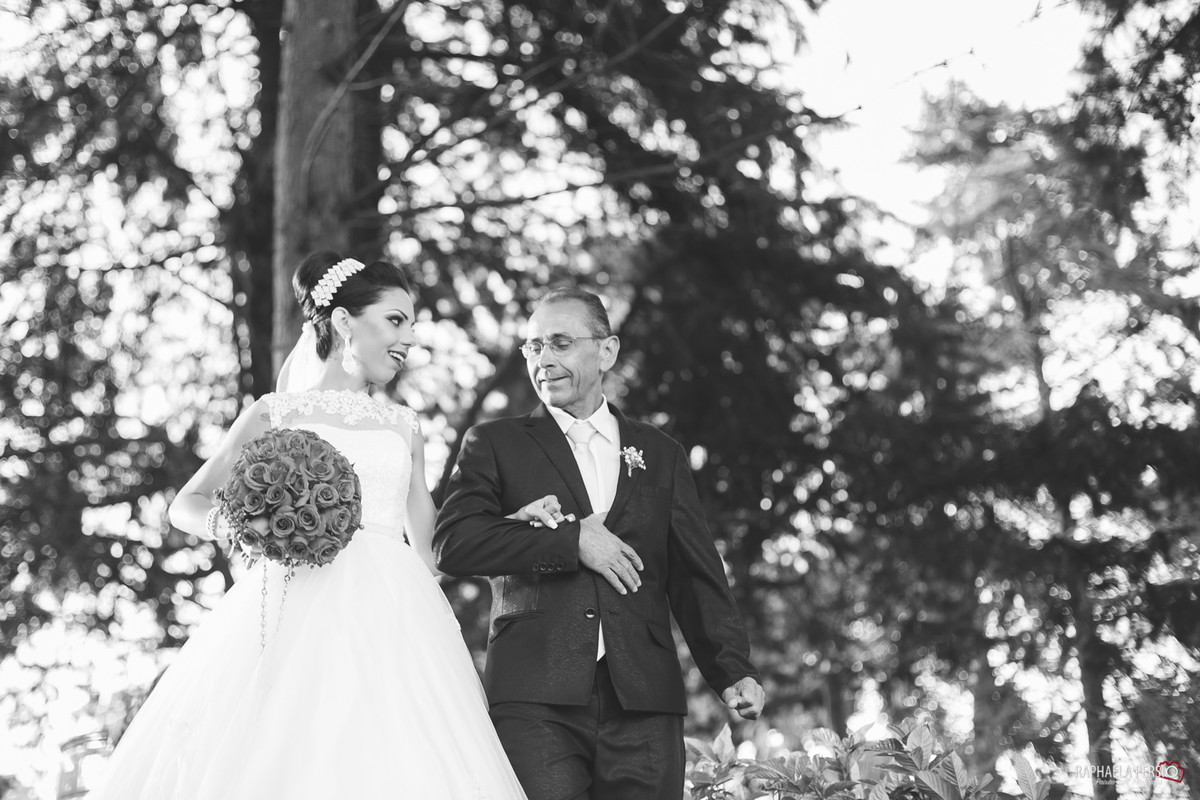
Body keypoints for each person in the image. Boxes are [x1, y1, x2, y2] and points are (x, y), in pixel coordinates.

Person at [91, 252, 532, 799]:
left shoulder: (403, 427)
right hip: (287, 610)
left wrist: (509, 527)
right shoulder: (275, 414)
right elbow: (187, 503)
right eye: (396, 319)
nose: (410, 337)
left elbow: (434, 549)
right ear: (345, 321)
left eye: (412, 324)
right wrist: (247, 529)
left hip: (393, 623)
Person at [433, 286, 766, 800]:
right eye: (533, 347)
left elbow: (693, 572)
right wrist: (572, 542)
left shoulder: (661, 452)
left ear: (606, 351)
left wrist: (732, 669)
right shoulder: (494, 443)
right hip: (534, 696)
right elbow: (454, 543)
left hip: (645, 699)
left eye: (560, 343)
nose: (544, 360)